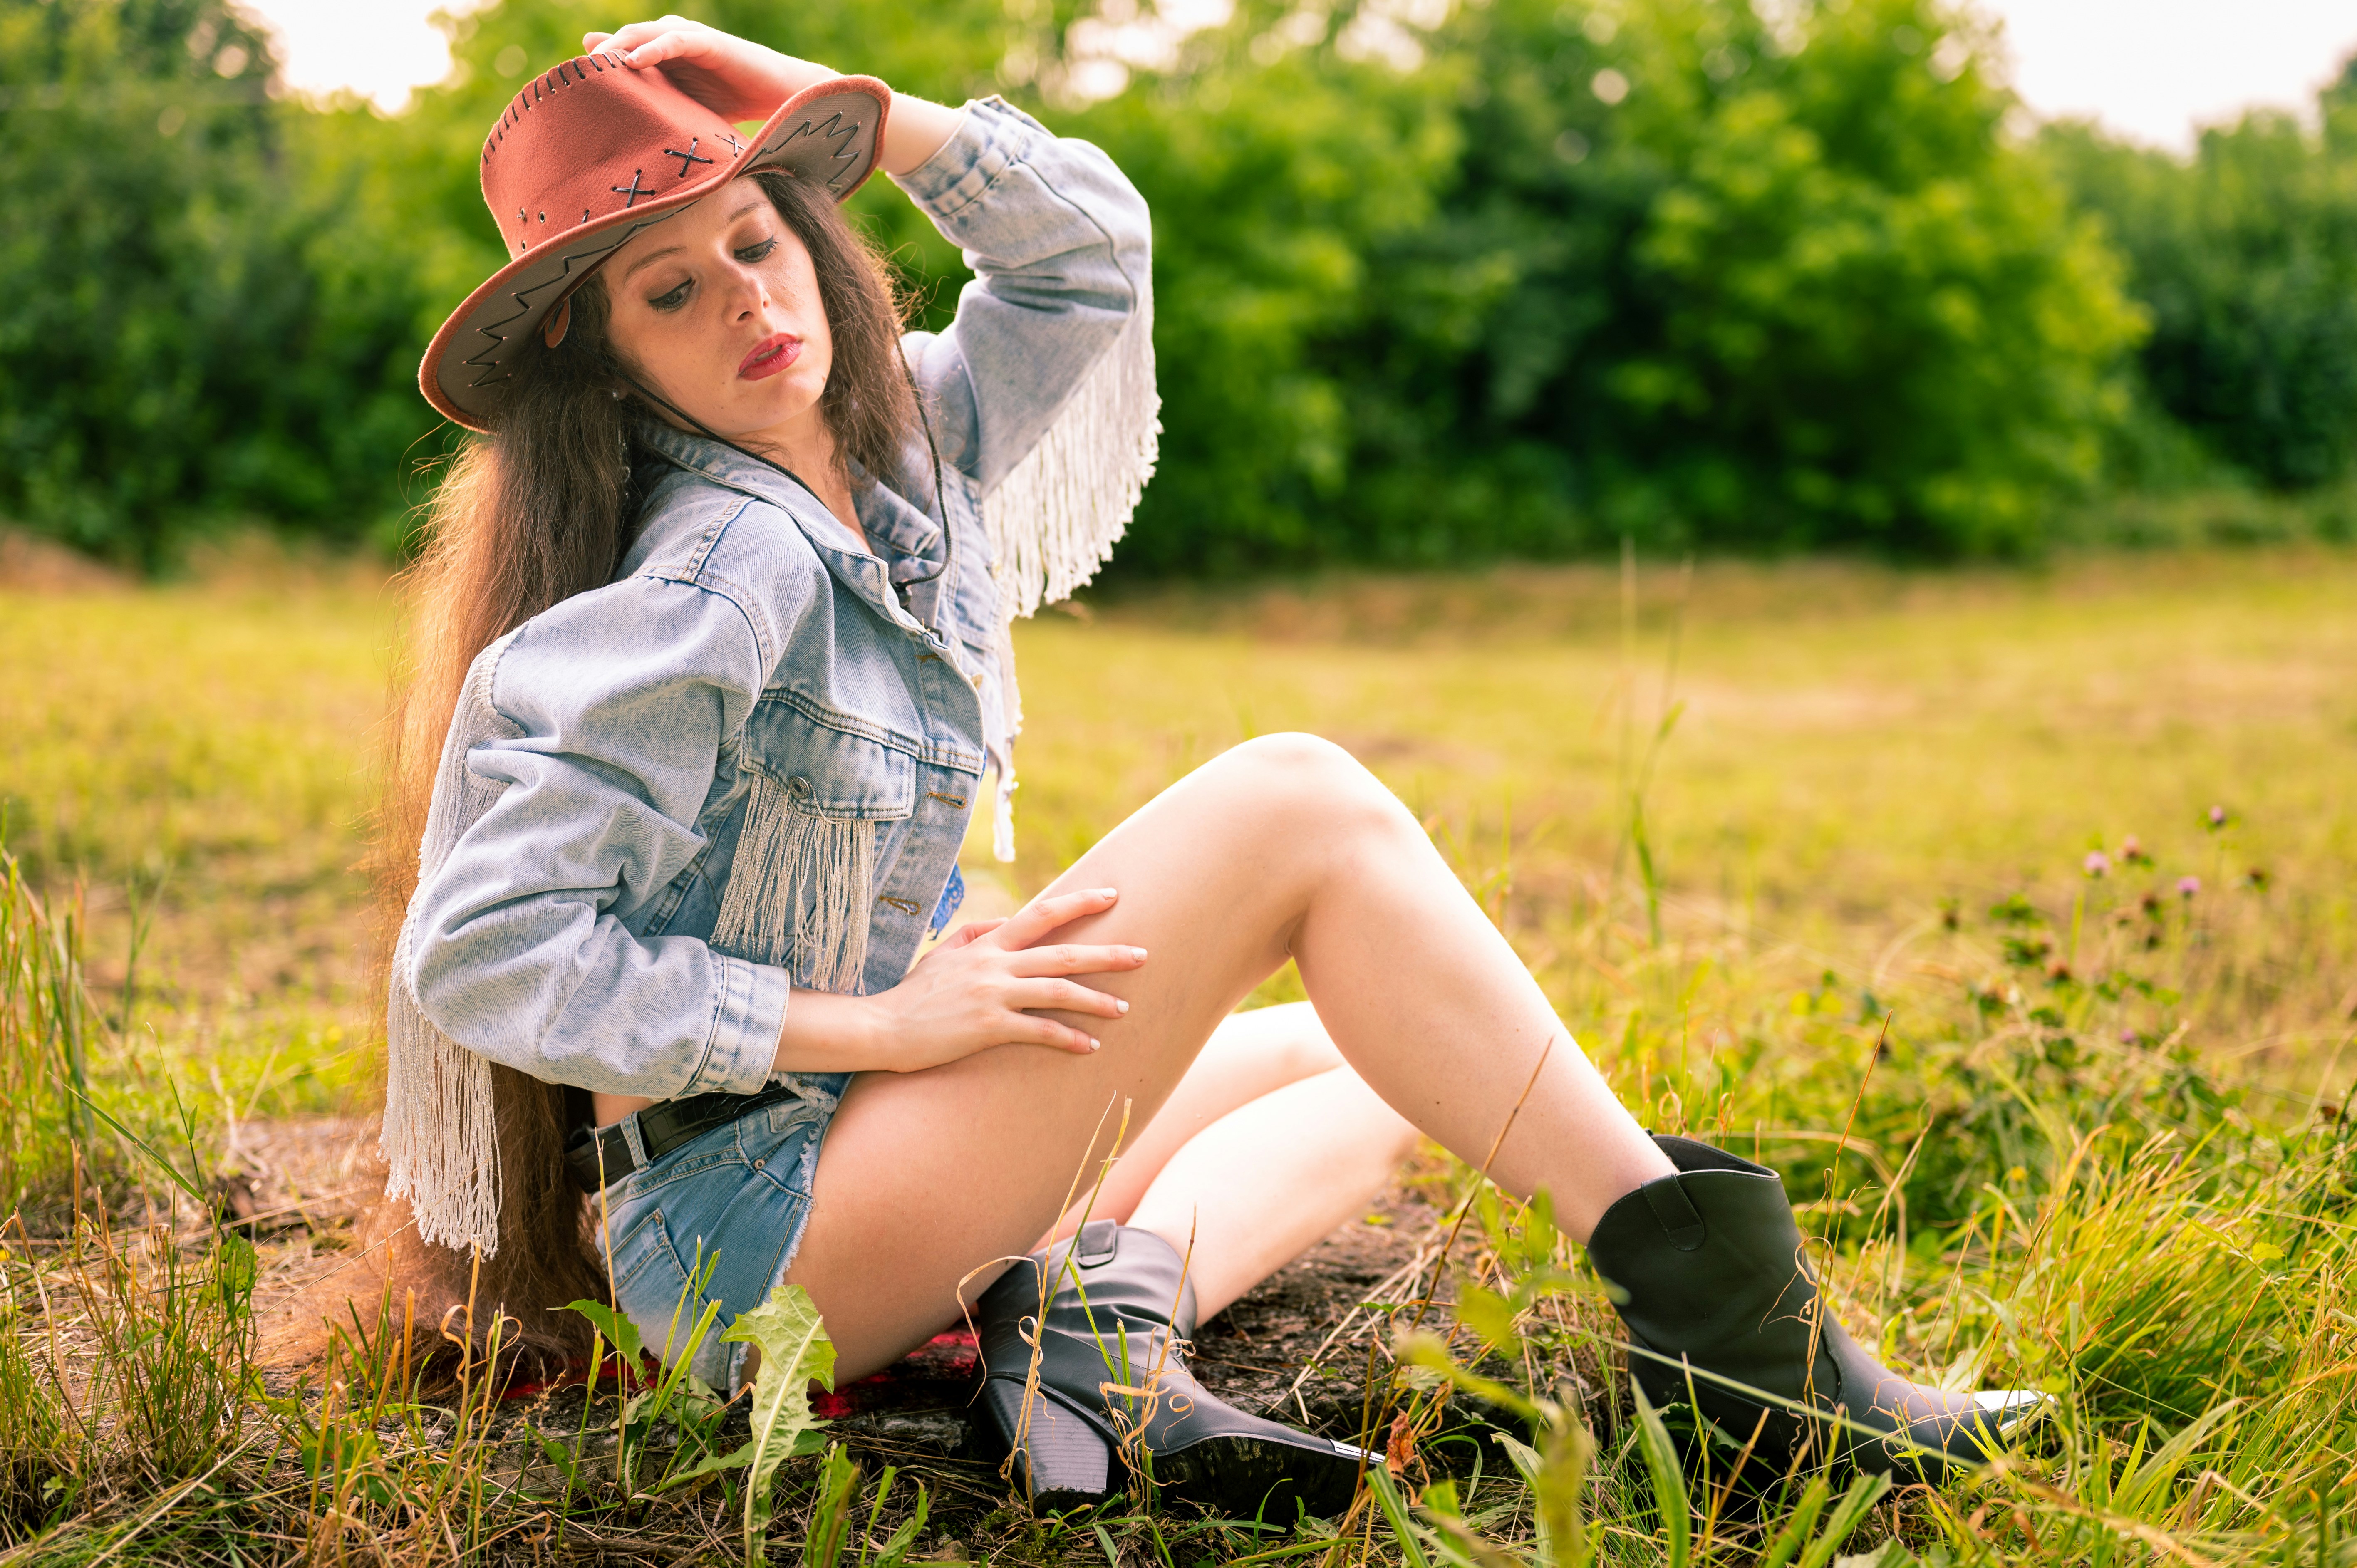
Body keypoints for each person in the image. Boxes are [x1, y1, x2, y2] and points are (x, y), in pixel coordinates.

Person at [383, 16, 2036, 1521]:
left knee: (1389, 1046)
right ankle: (1758, 1362)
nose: (748, 301)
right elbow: (484, 948)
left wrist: (863, 115)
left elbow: (1085, 259)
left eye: (755, 240)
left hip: (872, 1141)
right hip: (769, 1233)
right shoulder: (701, 591)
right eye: (672, 289)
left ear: (808, 237)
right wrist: (873, 1021)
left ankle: (1089, 1334)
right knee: (1299, 801)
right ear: (610, 366)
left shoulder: (905, 452)